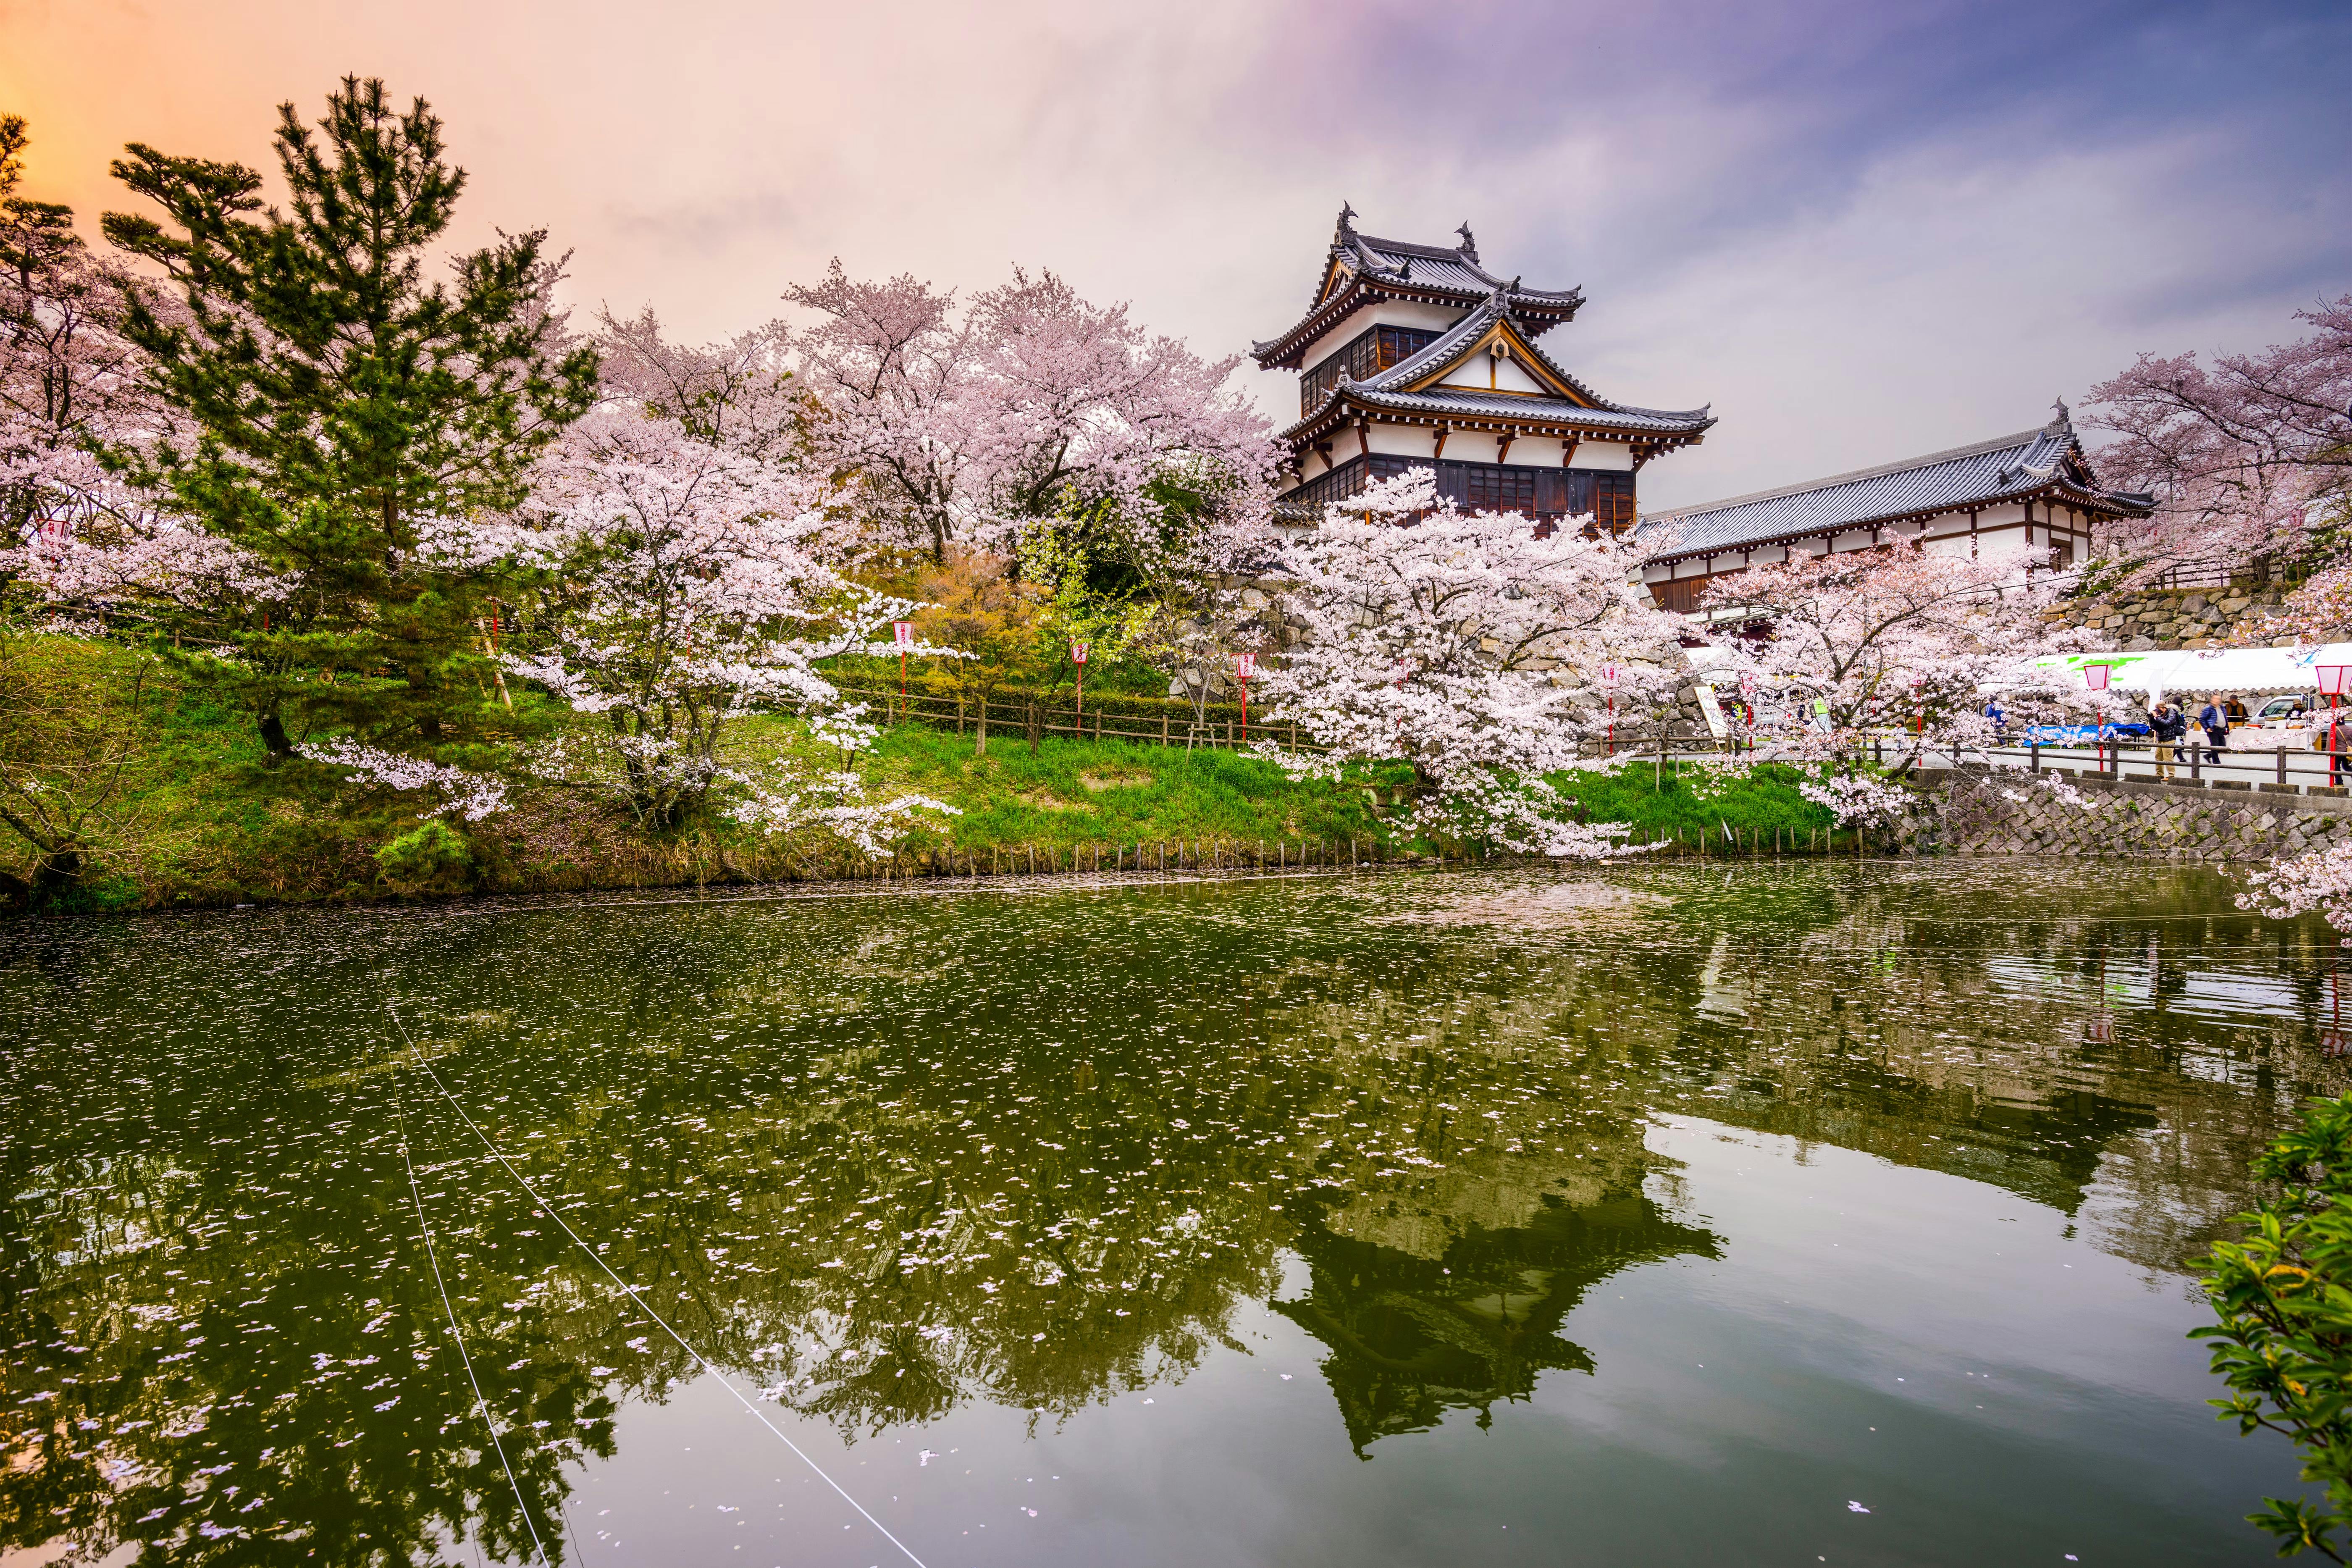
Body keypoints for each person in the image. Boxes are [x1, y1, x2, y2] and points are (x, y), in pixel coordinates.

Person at [2150, 700, 2186, 780]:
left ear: (2164, 708)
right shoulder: (2161, 715)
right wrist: (2152, 718)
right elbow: (2154, 727)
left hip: (2169, 738)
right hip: (2161, 738)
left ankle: (2171, 776)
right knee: (2158, 757)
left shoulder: (2172, 714)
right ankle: (2159, 774)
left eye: (2159, 709)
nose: (2158, 711)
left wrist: (2157, 717)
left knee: (2168, 758)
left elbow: (2166, 723)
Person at [2197, 692, 2230, 767]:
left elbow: (2225, 718)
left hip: (2221, 729)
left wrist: (2226, 728)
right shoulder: (2208, 709)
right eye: (2215, 699)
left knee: (2223, 747)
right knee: (2215, 746)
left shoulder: (2222, 708)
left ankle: (2208, 756)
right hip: (2213, 729)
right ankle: (2216, 761)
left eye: (2218, 699)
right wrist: (2207, 728)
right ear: (2212, 700)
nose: (2217, 701)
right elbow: (2202, 719)